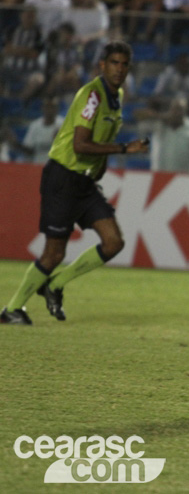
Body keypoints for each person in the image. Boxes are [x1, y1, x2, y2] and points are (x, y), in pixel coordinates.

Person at [1, 41, 149, 325]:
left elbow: (100, 139)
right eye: (114, 63)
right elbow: (80, 144)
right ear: (102, 65)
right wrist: (122, 149)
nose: (119, 69)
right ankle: (12, 309)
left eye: (124, 64)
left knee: (113, 242)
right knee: (54, 252)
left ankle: (54, 285)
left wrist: (99, 170)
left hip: (84, 183)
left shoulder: (115, 96)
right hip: (63, 178)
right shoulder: (92, 95)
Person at [149, 96, 189, 173]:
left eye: (180, 109)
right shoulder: (162, 126)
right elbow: (140, 115)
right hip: (160, 176)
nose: (176, 113)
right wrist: (162, 117)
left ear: (185, 111)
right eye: (174, 109)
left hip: (184, 178)